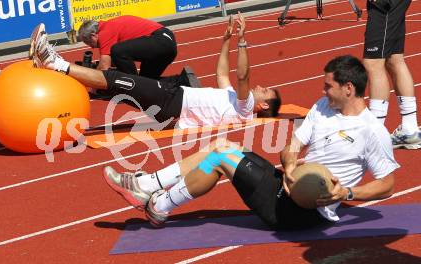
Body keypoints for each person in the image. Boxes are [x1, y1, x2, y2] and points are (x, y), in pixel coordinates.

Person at [102, 55, 399, 229]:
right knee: (217, 150)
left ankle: (153, 196)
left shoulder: (372, 131)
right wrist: (291, 163)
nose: (322, 90)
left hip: (304, 211)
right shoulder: (323, 107)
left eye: (328, 85)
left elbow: (387, 184)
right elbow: (293, 144)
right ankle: (155, 198)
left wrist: (346, 193)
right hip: (285, 185)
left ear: (349, 88)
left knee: (220, 156)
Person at [30, 14, 281, 129]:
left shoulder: (246, 108)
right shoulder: (235, 102)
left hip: (172, 103)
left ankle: (54, 63)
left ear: (263, 107)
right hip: (174, 96)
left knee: (119, 78)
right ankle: (56, 64)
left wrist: (243, 40)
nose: (261, 87)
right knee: (122, 81)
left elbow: (242, 76)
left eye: (266, 91)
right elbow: (223, 75)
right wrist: (226, 41)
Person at [363, 0, 421, 149]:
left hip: (385, 4)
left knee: (373, 63)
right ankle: (410, 129)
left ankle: (375, 135)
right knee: (394, 59)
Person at [77, 15, 177, 80]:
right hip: (167, 43)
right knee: (147, 82)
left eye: (89, 42)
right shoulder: (111, 26)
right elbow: (115, 61)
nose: (91, 47)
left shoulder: (105, 31)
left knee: (117, 50)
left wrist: (89, 77)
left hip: (160, 40)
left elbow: (104, 66)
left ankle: (134, 86)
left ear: (93, 35)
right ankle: (182, 80)